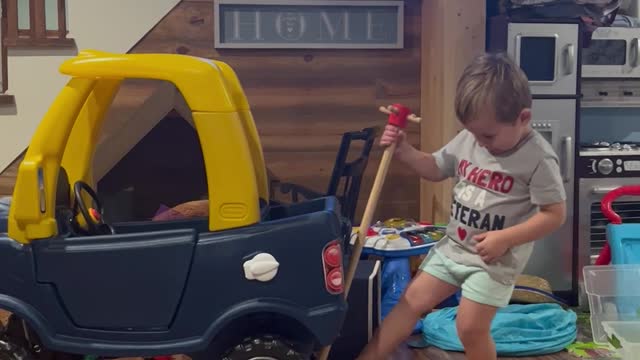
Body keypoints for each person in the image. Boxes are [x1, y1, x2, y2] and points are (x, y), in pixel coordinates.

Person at [356, 52, 567, 360]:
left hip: (494, 262)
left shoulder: (538, 158)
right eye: (474, 132)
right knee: (410, 301)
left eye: (488, 135)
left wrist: (504, 239)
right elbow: (434, 168)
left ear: (523, 118)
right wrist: (404, 149)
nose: (480, 142)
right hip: (453, 249)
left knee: (469, 327)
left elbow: (554, 214)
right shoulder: (470, 139)